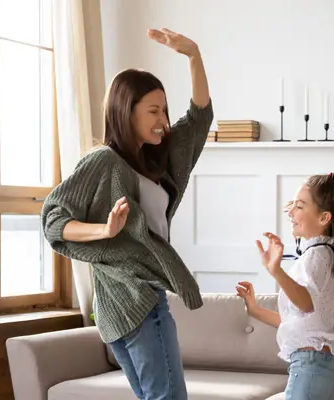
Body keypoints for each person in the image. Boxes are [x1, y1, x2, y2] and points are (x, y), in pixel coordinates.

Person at [41, 28, 212, 399]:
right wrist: (104, 230)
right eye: (153, 110)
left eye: (164, 110)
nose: (162, 119)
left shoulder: (155, 159)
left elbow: (198, 122)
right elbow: (54, 220)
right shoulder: (103, 162)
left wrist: (194, 55)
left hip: (127, 305)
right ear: (125, 111)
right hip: (137, 299)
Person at [235, 172, 334, 400]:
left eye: (299, 206)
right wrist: (254, 310)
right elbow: (304, 323)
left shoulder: (316, 255)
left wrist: (275, 270)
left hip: (313, 367)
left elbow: (306, 304)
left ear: (324, 218)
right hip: (328, 366)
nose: (290, 212)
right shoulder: (328, 254)